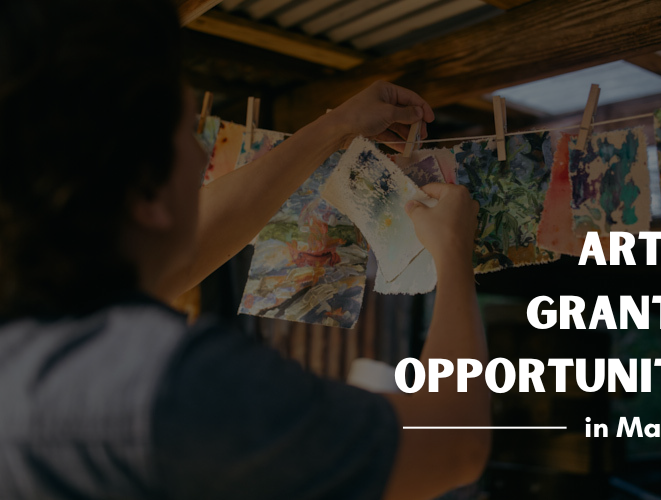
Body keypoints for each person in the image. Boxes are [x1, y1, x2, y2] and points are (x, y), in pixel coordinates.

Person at [0, 0, 491, 499]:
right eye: (189, 132)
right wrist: (453, 255)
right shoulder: (175, 384)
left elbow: (203, 239)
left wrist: (338, 125)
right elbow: (450, 445)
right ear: (145, 188)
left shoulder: (31, 347)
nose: (201, 158)